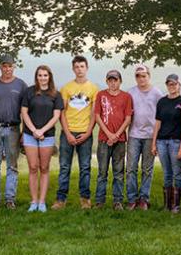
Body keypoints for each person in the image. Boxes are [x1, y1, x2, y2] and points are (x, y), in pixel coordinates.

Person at [52, 55, 98, 210]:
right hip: (68, 132)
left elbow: (94, 114)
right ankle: (60, 199)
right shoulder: (66, 88)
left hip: (85, 132)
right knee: (65, 167)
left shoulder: (93, 89)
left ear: (87, 68)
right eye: (76, 67)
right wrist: (68, 133)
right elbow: (62, 113)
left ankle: (85, 199)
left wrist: (88, 133)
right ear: (73, 69)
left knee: (85, 167)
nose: (79, 69)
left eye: (82, 66)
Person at [0, 54, 27, 211]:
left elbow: (25, 110)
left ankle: (10, 199)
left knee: (12, 166)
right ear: (0, 67)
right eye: (4, 66)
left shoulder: (21, 85)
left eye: (10, 66)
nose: (7, 69)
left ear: (14, 66)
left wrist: (24, 132)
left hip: (14, 128)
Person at [21, 65, 63, 213]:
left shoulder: (56, 95)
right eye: (40, 75)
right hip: (29, 134)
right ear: (36, 77)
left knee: (44, 168)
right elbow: (24, 113)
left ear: (49, 77)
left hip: (47, 135)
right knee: (33, 167)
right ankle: (33, 201)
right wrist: (34, 130)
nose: (43, 78)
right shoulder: (29, 92)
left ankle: (42, 202)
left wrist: (42, 131)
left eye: (45, 75)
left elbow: (56, 116)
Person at [94, 70, 133, 210]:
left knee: (118, 172)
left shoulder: (126, 97)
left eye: (115, 80)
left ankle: (117, 201)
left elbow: (128, 118)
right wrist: (109, 134)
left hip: (120, 140)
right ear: (106, 81)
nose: (112, 83)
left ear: (120, 81)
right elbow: (97, 116)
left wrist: (116, 135)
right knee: (102, 172)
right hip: (104, 139)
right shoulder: (101, 95)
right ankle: (99, 201)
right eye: (110, 80)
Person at [126, 64, 163, 210]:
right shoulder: (131, 93)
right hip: (134, 135)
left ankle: (144, 199)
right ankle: (131, 198)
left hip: (150, 136)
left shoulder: (157, 93)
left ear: (149, 76)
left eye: (143, 75)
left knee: (147, 169)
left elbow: (161, 116)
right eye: (138, 76)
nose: (141, 78)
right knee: (131, 168)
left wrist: (157, 137)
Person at [152, 74, 181, 213]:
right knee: (167, 173)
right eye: (169, 84)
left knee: (177, 172)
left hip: (176, 141)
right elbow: (157, 123)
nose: (172, 87)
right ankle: (167, 205)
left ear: (179, 85)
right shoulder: (162, 102)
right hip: (161, 141)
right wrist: (154, 143)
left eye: (174, 84)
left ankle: (176, 205)